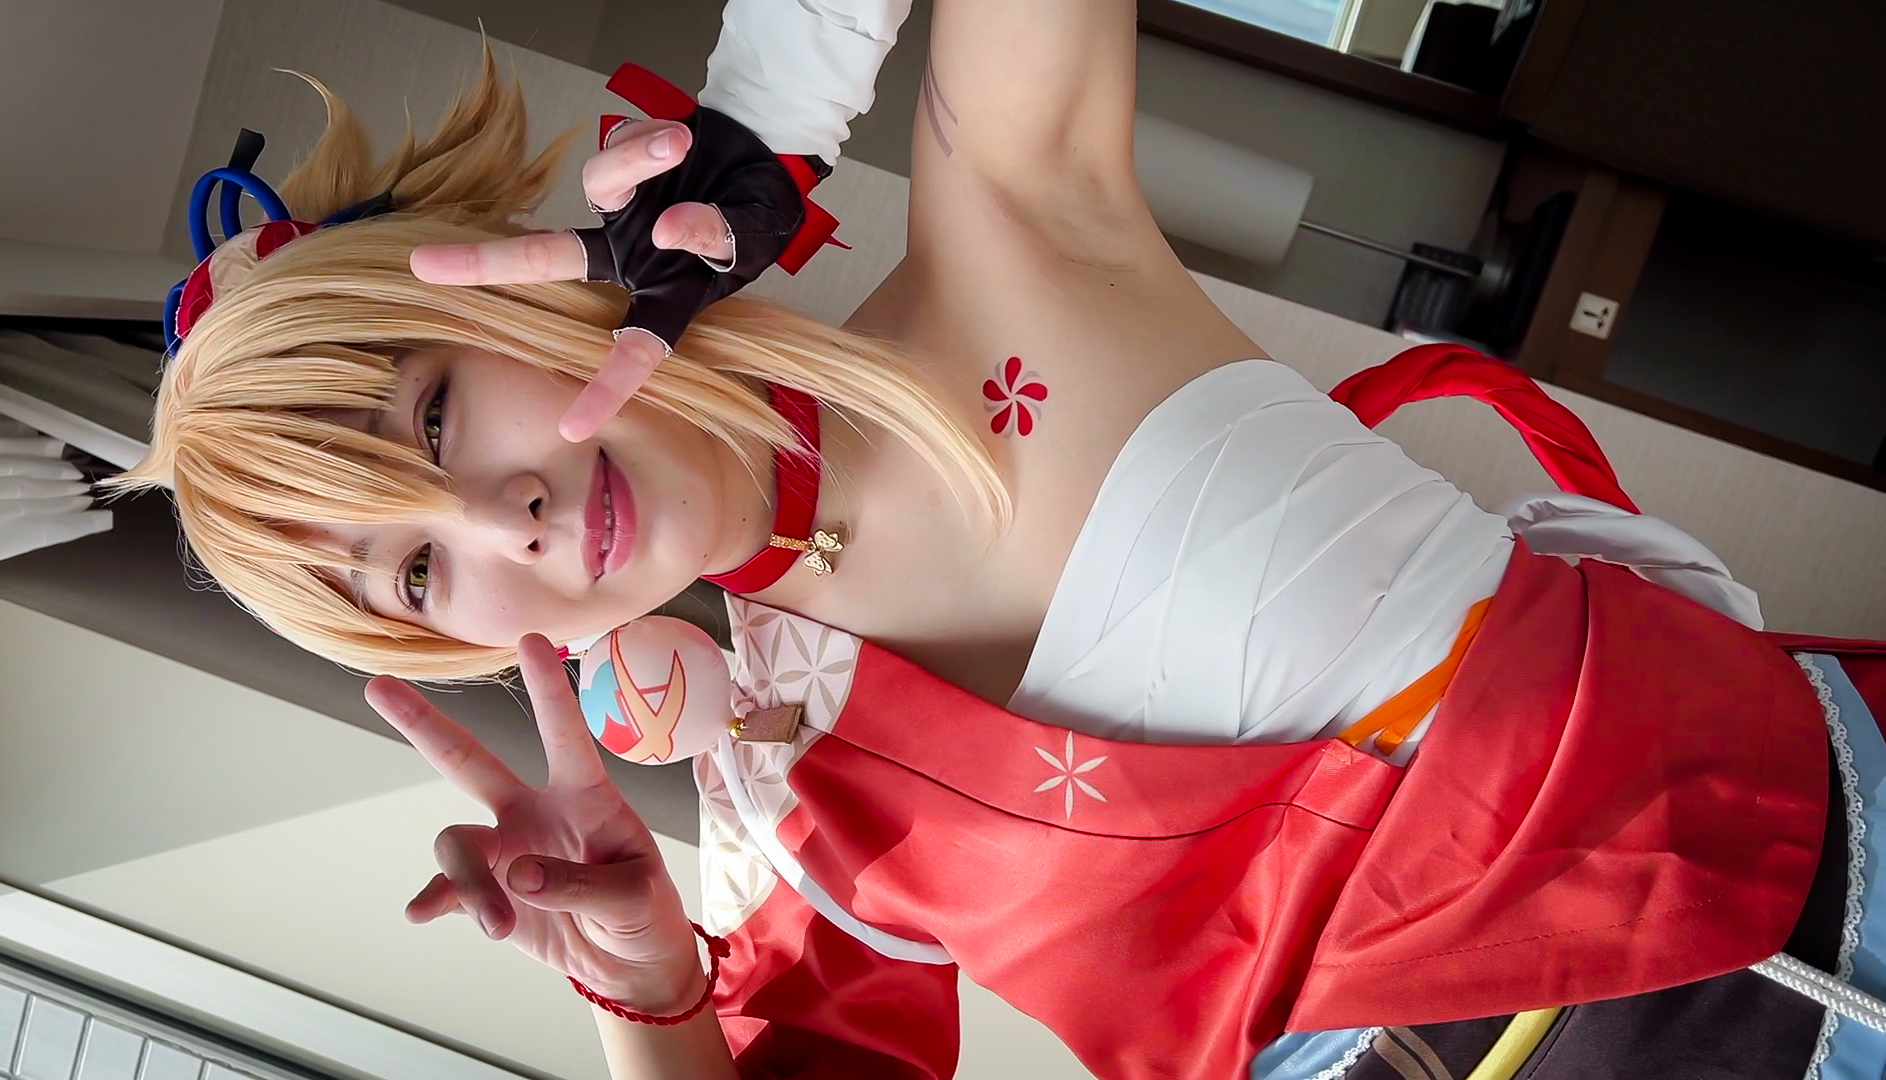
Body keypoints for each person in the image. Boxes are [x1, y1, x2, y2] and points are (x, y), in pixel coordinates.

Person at [113, 1, 1886, 1077]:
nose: (497, 517)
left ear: (501, 291)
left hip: (1807, 864)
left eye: (433, 418)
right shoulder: (780, 814)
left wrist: (775, 110)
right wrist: (648, 992)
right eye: (419, 574)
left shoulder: (1014, 247)